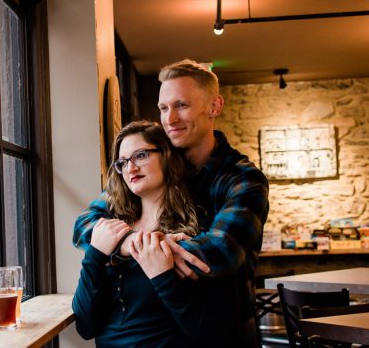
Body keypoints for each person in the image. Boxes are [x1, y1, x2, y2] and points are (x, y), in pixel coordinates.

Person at [73, 59, 269, 346]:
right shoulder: (139, 185)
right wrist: (132, 243)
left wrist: (147, 249)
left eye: (182, 106)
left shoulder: (240, 179)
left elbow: (221, 252)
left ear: (214, 107)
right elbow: (86, 224)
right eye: (164, 108)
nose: (170, 119)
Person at [73, 121, 238, 347]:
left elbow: (213, 336)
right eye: (123, 162)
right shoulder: (112, 231)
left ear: (167, 156)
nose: (130, 168)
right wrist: (94, 256)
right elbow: (85, 326)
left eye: (141, 156)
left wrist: (162, 276)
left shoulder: (195, 233)